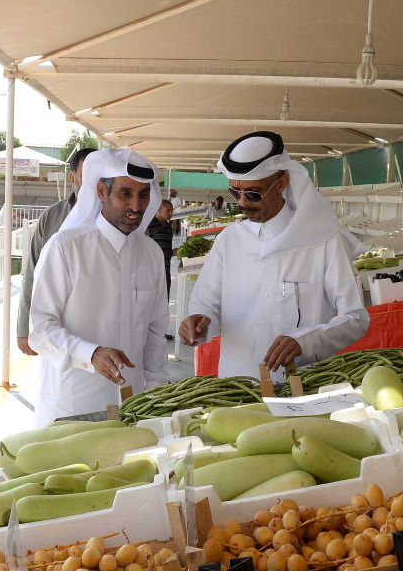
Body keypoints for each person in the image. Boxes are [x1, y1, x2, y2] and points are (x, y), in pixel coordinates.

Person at [179, 131, 369, 379]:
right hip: (236, 386)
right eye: (236, 192)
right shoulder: (230, 240)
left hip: (301, 386)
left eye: (254, 193)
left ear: (281, 183)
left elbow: (354, 318)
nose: (243, 203)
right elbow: (206, 304)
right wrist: (198, 321)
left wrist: (307, 342)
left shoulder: (323, 241)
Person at [28, 148, 168, 425]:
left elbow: (155, 333)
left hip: (133, 406)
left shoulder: (151, 253)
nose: (136, 206)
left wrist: (157, 395)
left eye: (143, 195)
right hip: (73, 405)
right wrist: (89, 354)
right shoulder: (65, 247)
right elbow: (40, 330)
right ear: (102, 193)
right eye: (125, 194)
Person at [17, 147, 96, 355]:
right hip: (52, 328)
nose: (94, 183)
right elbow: (32, 271)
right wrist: (24, 328)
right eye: (86, 175)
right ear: (73, 178)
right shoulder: (51, 216)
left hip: (96, 328)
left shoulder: (113, 221)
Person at [146, 198, 176, 310]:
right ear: (159, 209)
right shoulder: (150, 226)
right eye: (168, 210)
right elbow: (146, 248)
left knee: (164, 302)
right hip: (152, 271)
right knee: (150, 302)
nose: (170, 213)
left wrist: (172, 252)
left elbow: (166, 249)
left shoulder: (169, 227)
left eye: (172, 211)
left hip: (166, 270)